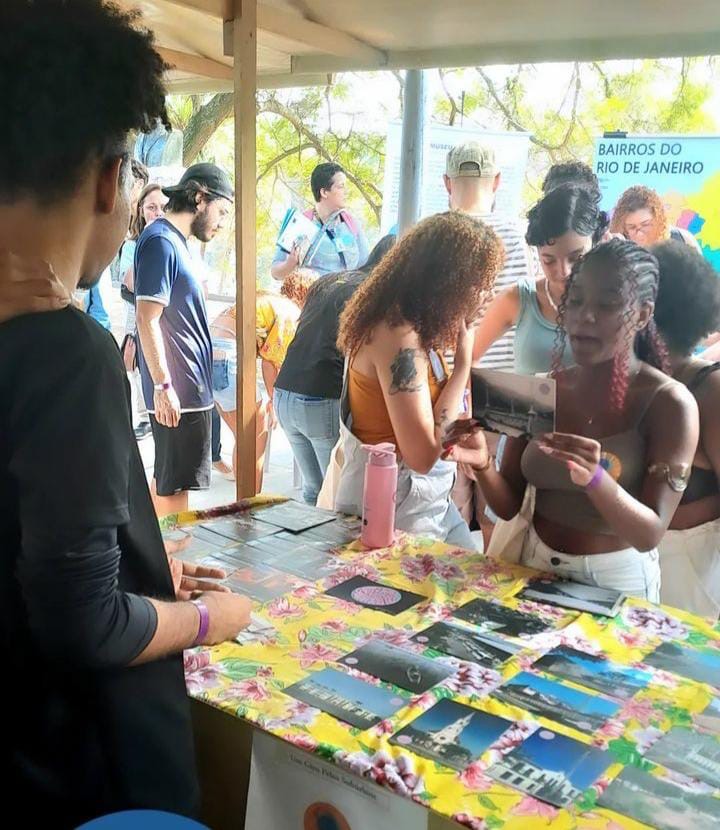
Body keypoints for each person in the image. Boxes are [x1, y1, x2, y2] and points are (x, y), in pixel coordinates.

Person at [0, 1, 251, 825]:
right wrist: (208, 618)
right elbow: (82, 626)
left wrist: (135, 566)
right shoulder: (67, 356)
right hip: (68, 768)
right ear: (110, 179)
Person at [445, 239, 699, 600]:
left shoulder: (670, 404)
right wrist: (483, 463)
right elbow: (509, 506)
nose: (585, 317)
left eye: (607, 304)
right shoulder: (545, 389)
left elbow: (649, 534)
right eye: (575, 301)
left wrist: (597, 479)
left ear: (643, 314)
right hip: (532, 567)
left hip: (614, 584)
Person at [334, 212, 504, 547]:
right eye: (480, 284)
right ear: (447, 280)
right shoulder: (398, 336)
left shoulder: (419, 329)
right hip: (393, 510)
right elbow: (423, 456)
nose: (487, 295)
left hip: (425, 505)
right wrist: (462, 368)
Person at [135, 162, 233, 517]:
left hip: (190, 390)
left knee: (167, 485)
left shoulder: (175, 242)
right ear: (199, 197)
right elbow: (147, 318)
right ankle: (169, 567)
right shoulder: (160, 242)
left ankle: (156, 559)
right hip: (178, 394)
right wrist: (163, 385)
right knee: (176, 500)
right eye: (221, 211)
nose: (222, 222)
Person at [274, 235, 396, 504]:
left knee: (313, 491)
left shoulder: (328, 280)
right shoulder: (375, 293)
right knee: (332, 494)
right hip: (321, 395)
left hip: (284, 391)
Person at [472, 184, 608, 375]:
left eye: (576, 258)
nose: (564, 272)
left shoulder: (614, 302)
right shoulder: (519, 298)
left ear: (597, 242)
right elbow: (469, 359)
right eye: (549, 260)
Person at [652, 241, 720, 617]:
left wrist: (671, 517)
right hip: (630, 576)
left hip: (694, 588)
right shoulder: (627, 381)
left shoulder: (710, 391)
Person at [443, 141, 531, 370]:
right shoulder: (518, 235)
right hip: (504, 380)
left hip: (445, 379)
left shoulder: (432, 235)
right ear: (497, 181)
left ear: (447, 183)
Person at [210, 284, 306, 491]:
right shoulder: (291, 312)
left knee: (243, 438)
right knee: (254, 441)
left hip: (209, 349)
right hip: (228, 354)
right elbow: (270, 362)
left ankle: (242, 502)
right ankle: (249, 507)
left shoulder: (267, 299)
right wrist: (275, 400)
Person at [119, 182, 168, 440]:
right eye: (151, 207)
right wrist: (131, 336)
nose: (157, 212)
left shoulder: (176, 243)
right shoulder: (132, 247)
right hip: (140, 324)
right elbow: (128, 290)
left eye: (163, 207)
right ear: (140, 211)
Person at [270, 162, 369, 281]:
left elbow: (366, 267)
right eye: (341, 186)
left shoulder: (351, 224)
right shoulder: (301, 224)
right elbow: (275, 273)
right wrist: (290, 264)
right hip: (312, 297)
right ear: (324, 192)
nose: (346, 191)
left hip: (347, 296)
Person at [610, 185, 701, 251]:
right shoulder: (614, 248)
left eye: (645, 225)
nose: (639, 234)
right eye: (632, 227)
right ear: (623, 228)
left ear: (658, 221)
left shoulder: (684, 241)